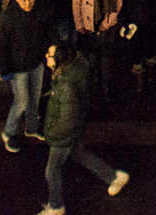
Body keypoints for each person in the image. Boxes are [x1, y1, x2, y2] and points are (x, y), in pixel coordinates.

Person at [38, 39, 130, 213]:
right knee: (80, 155)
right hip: (75, 128)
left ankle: (56, 207)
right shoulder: (73, 71)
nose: (46, 57)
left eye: (50, 55)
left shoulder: (65, 83)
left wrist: (50, 133)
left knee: (52, 171)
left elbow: (67, 119)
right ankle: (114, 177)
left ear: (60, 59)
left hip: (63, 134)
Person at [0, 0, 50, 151]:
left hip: (36, 63)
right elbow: (0, 44)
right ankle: (8, 133)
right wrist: (4, 68)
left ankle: (31, 128)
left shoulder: (39, 10)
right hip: (17, 68)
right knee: (22, 101)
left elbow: (46, 32)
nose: (28, 3)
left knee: (34, 98)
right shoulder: (8, 16)